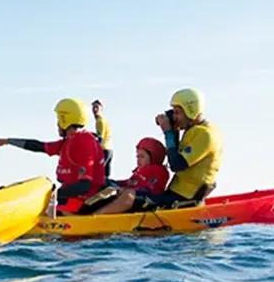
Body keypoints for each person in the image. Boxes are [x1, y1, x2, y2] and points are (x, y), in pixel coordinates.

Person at [93, 88, 222, 214]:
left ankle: (95, 219)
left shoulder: (205, 134)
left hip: (184, 198)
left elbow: (177, 165)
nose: (175, 117)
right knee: (122, 193)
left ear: (191, 111)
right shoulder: (194, 131)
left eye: (177, 113)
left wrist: (168, 133)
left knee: (129, 196)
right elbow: (176, 156)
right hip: (173, 193)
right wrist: (173, 132)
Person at [0, 98, 106, 214]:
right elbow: (38, 146)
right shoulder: (69, 141)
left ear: (65, 119)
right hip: (71, 198)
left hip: (81, 202)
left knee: (43, 189)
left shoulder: (83, 141)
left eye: (58, 119)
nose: (57, 124)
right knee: (41, 184)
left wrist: (51, 195)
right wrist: (8, 141)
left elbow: (85, 185)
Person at [92, 99, 113, 179]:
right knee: (105, 176)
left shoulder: (100, 121)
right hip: (109, 150)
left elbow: (101, 138)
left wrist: (95, 151)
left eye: (96, 107)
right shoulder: (100, 121)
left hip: (105, 150)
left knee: (97, 171)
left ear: (101, 109)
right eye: (93, 107)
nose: (94, 109)